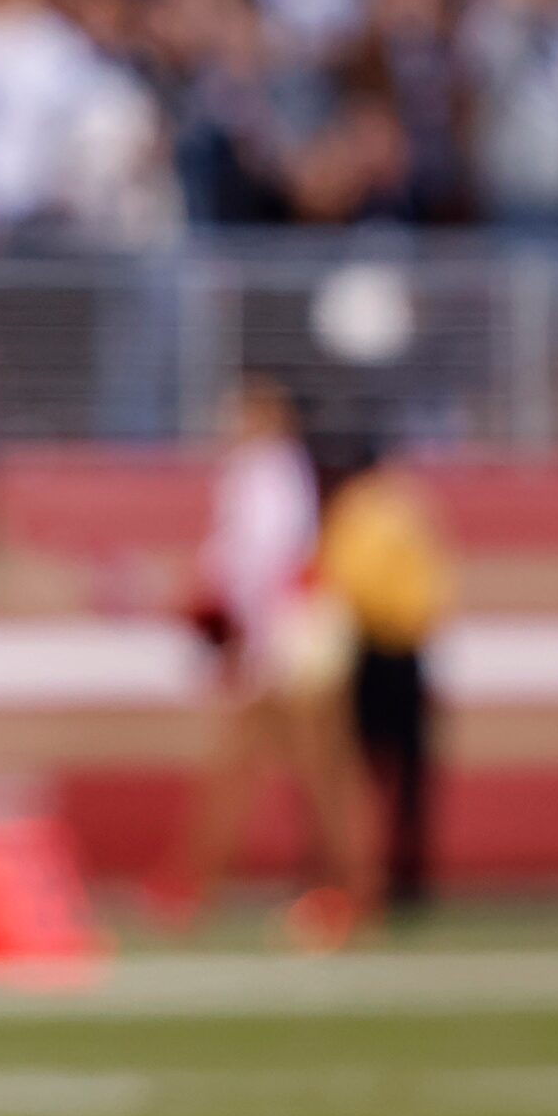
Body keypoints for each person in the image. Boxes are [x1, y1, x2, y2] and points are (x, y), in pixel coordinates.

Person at [165, 380, 371, 931]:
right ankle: (200, 887)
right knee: (294, 769)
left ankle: (346, 889)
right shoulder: (274, 472)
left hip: (286, 640)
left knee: (305, 769)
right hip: (292, 636)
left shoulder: (262, 473)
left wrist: (244, 647)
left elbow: (256, 567)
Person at [318, 435, 451, 918]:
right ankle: (407, 879)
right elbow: (435, 581)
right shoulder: (410, 506)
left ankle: (356, 875)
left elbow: (345, 581)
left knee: (356, 773)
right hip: (411, 650)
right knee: (412, 778)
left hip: (370, 649)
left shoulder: (353, 510)